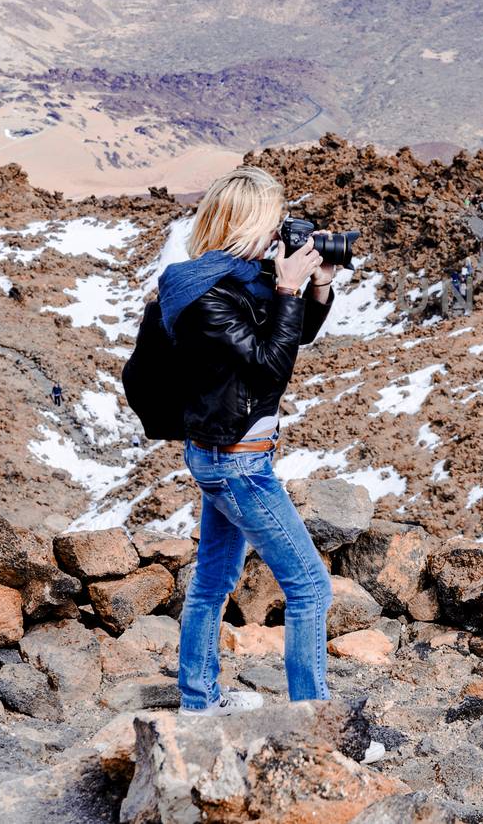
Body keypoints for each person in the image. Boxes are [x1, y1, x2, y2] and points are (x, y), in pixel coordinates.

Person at [158, 166, 334, 717]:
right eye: (272, 223)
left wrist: (317, 284)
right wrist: (286, 286)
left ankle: (198, 701)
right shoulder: (204, 295)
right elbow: (269, 368)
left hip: (230, 455)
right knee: (309, 587)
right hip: (235, 464)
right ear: (242, 224)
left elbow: (293, 331)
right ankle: (314, 722)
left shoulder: (236, 278)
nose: (280, 234)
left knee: (212, 582)